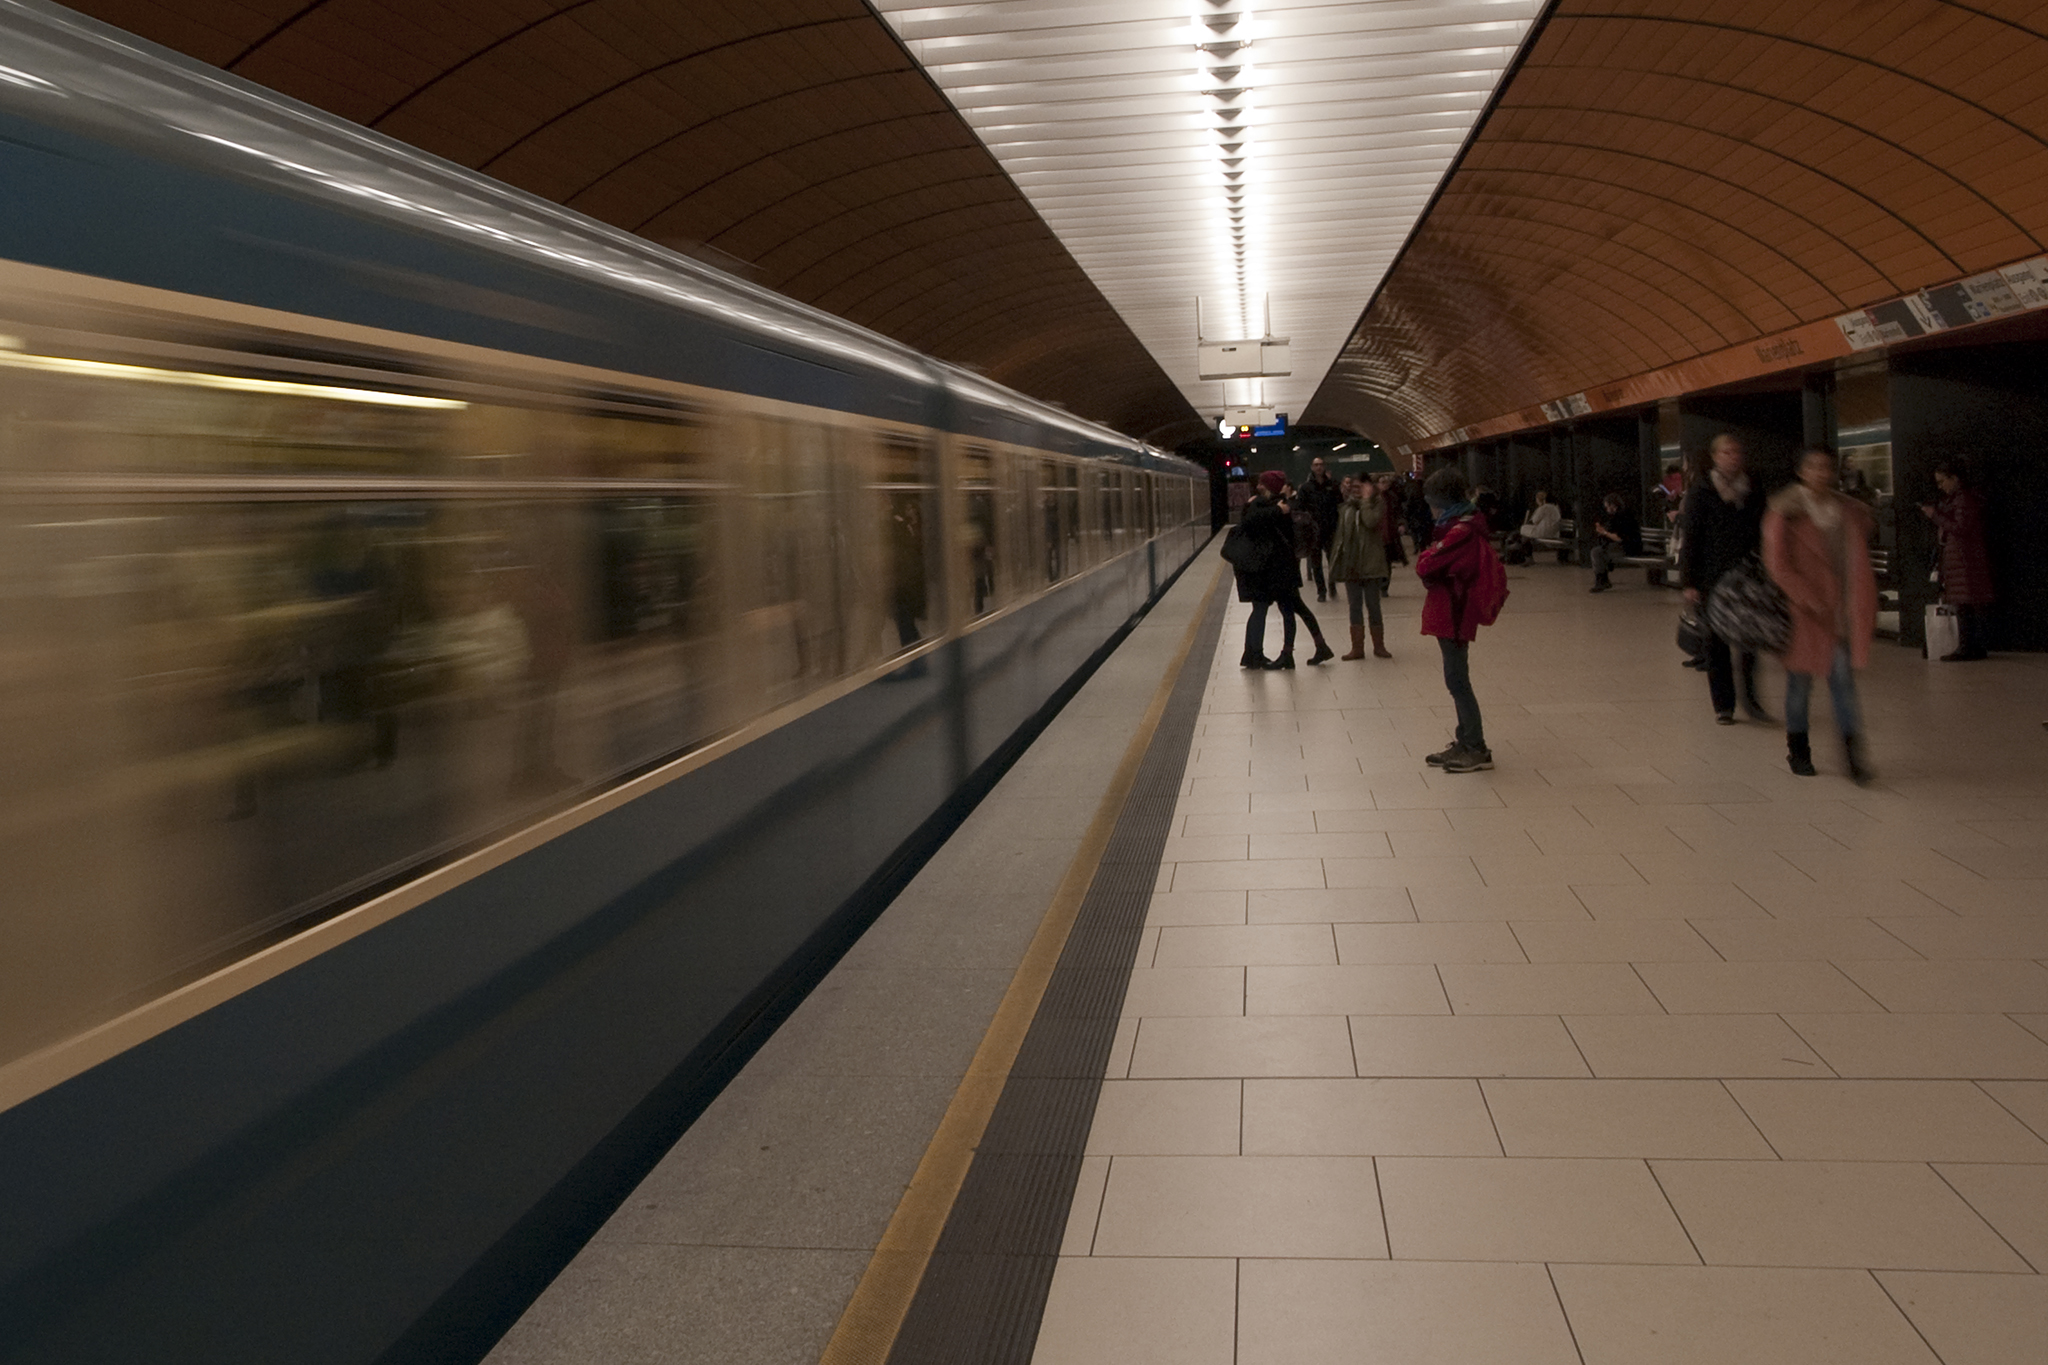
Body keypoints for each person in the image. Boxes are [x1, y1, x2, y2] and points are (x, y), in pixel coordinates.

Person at [1764, 446, 1877, 783]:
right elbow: (1778, 565)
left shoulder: (1845, 510)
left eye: (1826, 467)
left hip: (1839, 611)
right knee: (1799, 685)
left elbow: (1864, 535)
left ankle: (1853, 755)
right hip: (1804, 614)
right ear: (1801, 472)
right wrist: (1806, 597)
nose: (1820, 473)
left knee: (1842, 682)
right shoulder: (1785, 512)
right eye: (1813, 467)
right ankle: (1798, 748)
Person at [1679, 433, 1770, 725]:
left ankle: (1752, 700)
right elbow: (1691, 538)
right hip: (1712, 578)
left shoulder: (1753, 489)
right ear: (1716, 457)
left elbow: (1765, 530)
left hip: (1748, 576)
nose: (1733, 457)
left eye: (1737, 451)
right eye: (1727, 452)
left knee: (1748, 642)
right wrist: (1689, 581)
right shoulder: (1702, 491)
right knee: (1716, 642)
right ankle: (1723, 705)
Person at [1417, 466, 1503, 773]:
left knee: (1458, 680)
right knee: (1455, 679)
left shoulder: (1460, 532)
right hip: (1451, 609)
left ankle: (1476, 746)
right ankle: (1465, 740)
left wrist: (1429, 554)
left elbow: (1426, 565)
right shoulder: (1459, 527)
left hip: (1455, 610)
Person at [1236, 470, 1335, 669]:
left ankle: (1287, 655)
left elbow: (1249, 522)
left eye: (1263, 483)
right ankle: (1318, 646)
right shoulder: (1280, 504)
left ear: (1270, 486)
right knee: (1295, 608)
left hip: (1280, 570)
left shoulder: (1278, 507)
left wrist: (1253, 505)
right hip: (1285, 568)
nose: (1259, 486)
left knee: (1288, 609)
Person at [1918, 459, 1993, 661]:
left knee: (1964, 604)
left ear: (1955, 478)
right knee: (1965, 604)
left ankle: (1967, 647)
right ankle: (1972, 646)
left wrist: (1935, 515)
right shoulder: (1960, 499)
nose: (1940, 486)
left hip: (1963, 558)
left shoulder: (1963, 500)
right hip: (1961, 558)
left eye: (1943, 481)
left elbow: (1960, 527)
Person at [1327, 476, 1393, 660]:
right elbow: (1341, 536)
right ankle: (1357, 648)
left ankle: (1379, 646)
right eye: (1352, 487)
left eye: (1359, 487)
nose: (1355, 490)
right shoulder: (1345, 508)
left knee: (1373, 605)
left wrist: (1365, 501)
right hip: (1351, 565)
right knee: (1354, 606)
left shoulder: (1377, 504)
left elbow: (1371, 521)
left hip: (1371, 564)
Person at [1298, 455, 1343, 602]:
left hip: (1330, 528)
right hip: (1313, 530)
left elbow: (1339, 504)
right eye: (1316, 465)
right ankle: (1321, 590)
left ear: (1324, 467)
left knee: (1332, 560)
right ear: (1312, 467)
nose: (1318, 467)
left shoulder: (1333, 485)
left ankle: (1332, 585)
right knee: (1316, 563)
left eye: (1321, 464)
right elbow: (1301, 509)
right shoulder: (1306, 488)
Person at [1588, 491, 1644, 592]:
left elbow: (1620, 537)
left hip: (1630, 547)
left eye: (1607, 506)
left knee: (1597, 552)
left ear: (1612, 505)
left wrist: (1604, 533)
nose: (1606, 509)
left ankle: (1601, 580)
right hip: (1626, 544)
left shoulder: (1624, 517)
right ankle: (1602, 579)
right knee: (1599, 551)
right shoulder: (1618, 516)